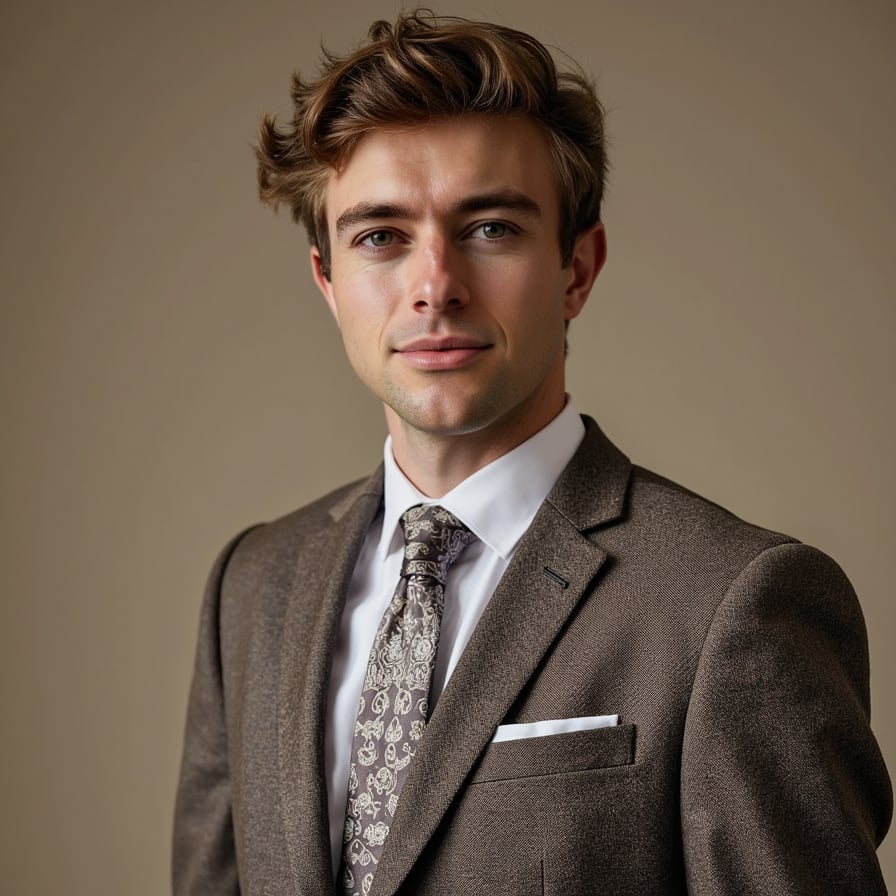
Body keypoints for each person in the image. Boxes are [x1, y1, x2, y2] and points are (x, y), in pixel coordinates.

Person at [172, 11, 891, 895]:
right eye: (380, 237)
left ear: (577, 268)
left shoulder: (734, 605)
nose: (435, 285)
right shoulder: (253, 587)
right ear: (328, 281)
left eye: (491, 229)